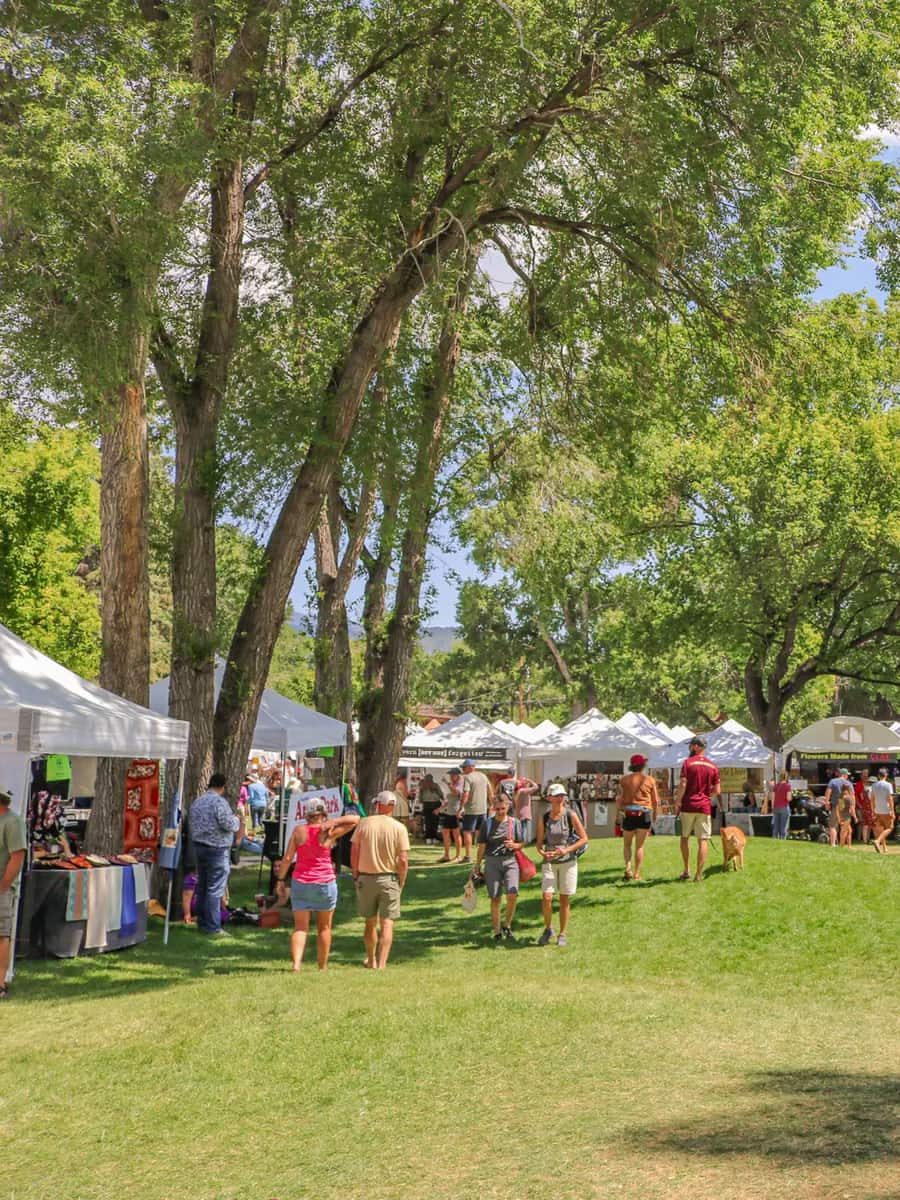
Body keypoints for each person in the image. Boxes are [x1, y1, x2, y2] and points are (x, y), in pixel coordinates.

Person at [275, 797, 360, 971]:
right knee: (324, 927)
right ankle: (322, 966)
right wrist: (333, 822)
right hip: (325, 883)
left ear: (307, 814)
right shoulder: (329, 832)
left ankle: (296, 964)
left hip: (301, 882)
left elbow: (288, 858)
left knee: (300, 927)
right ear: (323, 813)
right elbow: (355, 820)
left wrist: (281, 880)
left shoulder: (299, 831)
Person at [351, 790, 410, 969]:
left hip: (366, 878)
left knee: (370, 922)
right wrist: (402, 879)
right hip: (389, 878)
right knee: (387, 923)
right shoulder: (400, 828)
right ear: (393, 806)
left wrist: (355, 873)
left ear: (379, 804)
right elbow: (403, 860)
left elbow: (354, 851)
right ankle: (382, 964)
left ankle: (372, 959)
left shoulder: (364, 823)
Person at [535, 782, 589, 947]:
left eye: (562, 796)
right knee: (547, 896)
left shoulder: (570, 815)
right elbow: (538, 844)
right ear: (549, 798)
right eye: (557, 796)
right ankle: (548, 928)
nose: (560, 798)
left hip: (568, 862)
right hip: (550, 862)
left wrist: (567, 850)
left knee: (564, 898)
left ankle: (562, 933)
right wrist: (544, 853)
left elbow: (584, 838)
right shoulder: (544, 818)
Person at [189, 772, 240, 936]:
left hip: (199, 847)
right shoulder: (219, 802)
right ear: (222, 786)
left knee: (202, 886)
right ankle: (213, 926)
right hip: (217, 849)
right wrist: (237, 820)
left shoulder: (198, 802)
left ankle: (202, 922)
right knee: (215, 888)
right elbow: (227, 824)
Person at [475, 792, 525, 941]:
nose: (500, 812)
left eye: (503, 808)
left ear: (508, 807)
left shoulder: (514, 823)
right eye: (497, 809)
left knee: (512, 894)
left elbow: (522, 843)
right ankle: (497, 931)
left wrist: (514, 845)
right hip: (492, 862)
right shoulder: (487, 823)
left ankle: (507, 925)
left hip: (510, 861)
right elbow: (482, 846)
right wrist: (477, 865)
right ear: (493, 808)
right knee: (495, 897)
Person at [674, 736, 720, 882]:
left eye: (691, 745)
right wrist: (706, 796)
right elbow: (717, 790)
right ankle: (699, 875)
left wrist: (678, 801)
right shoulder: (713, 766)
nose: (689, 748)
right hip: (704, 807)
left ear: (695, 747)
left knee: (684, 838)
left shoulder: (688, 763)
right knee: (703, 840)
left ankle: (686, 870)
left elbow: (682, 783)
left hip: (688, 805)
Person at [0, 787, 27, 1000]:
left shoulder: (12, 822)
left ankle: (0, 983)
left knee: (1, 935)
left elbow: (17, 857)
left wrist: (3, 886)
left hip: (1, 888)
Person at [615, 754, 659, 880]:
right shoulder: (650, 780)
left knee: (627, 845)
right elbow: (655, 800)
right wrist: (655, 814)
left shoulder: (624, 780)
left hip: (628, 814)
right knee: (639, 846)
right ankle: (637, 873)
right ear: (643, 765)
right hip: (644, 814)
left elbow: (619, 800)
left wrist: (617, 815)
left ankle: (628, 868)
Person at [460, 759, 493, 863]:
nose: (463, 770)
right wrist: (491, 805)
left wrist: (461, 808)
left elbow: (466, 794)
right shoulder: (483, 776)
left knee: (467, 832)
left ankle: (468, 856)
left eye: (464, 768)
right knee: (481, 833)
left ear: (470, 767)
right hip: (483, 810)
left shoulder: (468, 778)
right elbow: (490, 792)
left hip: (471, 810)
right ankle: (482, 855)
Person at [498, 767, 540, 844]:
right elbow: (536, 787)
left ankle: (508, 837)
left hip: (508, 806)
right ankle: (522, 841)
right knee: (523, 827)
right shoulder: (523, 790)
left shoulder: (503, 782)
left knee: (508, 824)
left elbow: (500, 793)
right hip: (521, 811)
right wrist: (529, 780)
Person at [438, 768, 464, 862]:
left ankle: (458, 856)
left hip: (456, 813)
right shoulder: (451, 785)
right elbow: (448, 800)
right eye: (450, 775)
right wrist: (440, 809)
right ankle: (446, 855)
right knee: (445, 833)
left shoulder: (461, 784)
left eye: (453, 775)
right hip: (448, 812)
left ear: (458, 775)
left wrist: (447, 783)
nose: (451, 776)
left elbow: (456, 793)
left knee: (456, 834)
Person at [870, 768, 895, 854]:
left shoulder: (874, 785)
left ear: (878, 775)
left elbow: (872, 799)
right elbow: (890, 799)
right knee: (890, 828)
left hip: (877, 810)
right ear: (886, 775)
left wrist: (873, 811)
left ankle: (884, 848)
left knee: (881, 830)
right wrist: (892, 811)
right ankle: (877, 841)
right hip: (886, 810)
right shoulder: (888, 785)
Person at [825, 768, 849, 846]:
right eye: (847, 775)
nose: (847, 777)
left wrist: (827, 803)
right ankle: (842, 844)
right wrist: (852, 808)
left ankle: (833, 844)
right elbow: (852, 796)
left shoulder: (833, 781)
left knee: (833, 825)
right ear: (844, 775)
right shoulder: (848, 783)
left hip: (836, 805)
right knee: (844, 825)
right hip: (846, 806)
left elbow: (828, 792)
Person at [418, 774, 444, 845]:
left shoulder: (422, 786)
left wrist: (421, 801)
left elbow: (420, 797)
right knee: (435, 822)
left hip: (426, 805)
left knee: (427, 822)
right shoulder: (435, 785)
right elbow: (441, 794)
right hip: (435, 804)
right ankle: (434, 838)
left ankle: (428, 838)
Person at [854, 770, 874, 845]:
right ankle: (860, 838)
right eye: (864, 776)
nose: (865, 777)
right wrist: (859, 805)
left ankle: (866, 839)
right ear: (861, 776)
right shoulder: (858, 784)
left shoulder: (870, 785)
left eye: (866, 776)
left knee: (867, 824)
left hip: (868, 807)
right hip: (861, 807)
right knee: (862, 823)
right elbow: (855, 796)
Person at [771, 770, 793, 840]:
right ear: (786, 777)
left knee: (776, 827)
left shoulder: (776, 786)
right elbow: (788, 798)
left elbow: (772, 798)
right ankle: (782, 842)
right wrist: (791, 797)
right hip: (784, 807)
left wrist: (772, 808)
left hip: (776, 808)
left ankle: (774, 841)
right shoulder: (788, 786)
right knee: (783, 827)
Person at [836, 779, 856, 847]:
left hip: (842, 816)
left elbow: (838, 809)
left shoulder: (840, 797)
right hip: (847, 817)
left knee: (849, 831)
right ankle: (841, 846)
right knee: (844, 832)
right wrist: (855, 817)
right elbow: (852, 809)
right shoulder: (848, 798)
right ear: (848, 789)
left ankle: (849, 846)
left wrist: (839, 818)